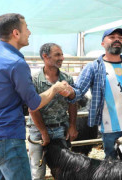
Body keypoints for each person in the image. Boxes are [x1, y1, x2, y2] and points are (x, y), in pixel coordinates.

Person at [0, 13, 70, 180]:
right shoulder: (16, 63)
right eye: (27, 29)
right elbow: (34, 103)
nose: (30, 32)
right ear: (16, 33)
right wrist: (55, 88)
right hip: (9, 138)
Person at [66, 28, 122, 159]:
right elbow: (78, 92)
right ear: (103, 43)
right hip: (110, 129)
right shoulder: (93, 68)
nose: (117, 39)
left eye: (120, 38)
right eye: (112, 37)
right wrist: (69, 91)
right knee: (114, 166)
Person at [27, 43, 78, 180]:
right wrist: (43, 132)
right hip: (38, 130)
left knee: (64, 170)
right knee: (38, 171)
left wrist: (72, 126)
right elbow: (32, 108)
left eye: (61, 54)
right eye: (57, 55)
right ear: (45, 56)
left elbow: (73, 103)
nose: (61, 58)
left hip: (61, 129)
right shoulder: (34, 80)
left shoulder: (67, 78)